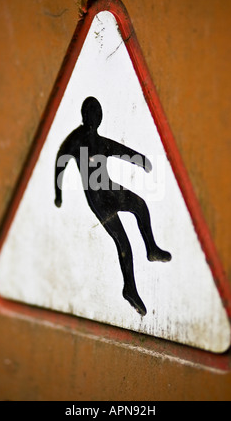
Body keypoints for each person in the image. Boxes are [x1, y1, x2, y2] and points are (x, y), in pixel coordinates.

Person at [55, 97, 171, 316]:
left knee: (140, 205)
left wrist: (141, 160)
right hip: (98, 199)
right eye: (91, 112)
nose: (94, 117)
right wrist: (58, 193)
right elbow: (61, 162)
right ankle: (130, 289)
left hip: (111, 190)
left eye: (97, 113)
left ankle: (152, 249)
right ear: (84, 115)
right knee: (123, 242)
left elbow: (120, 150)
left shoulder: (100, 141)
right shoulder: (77, 140)